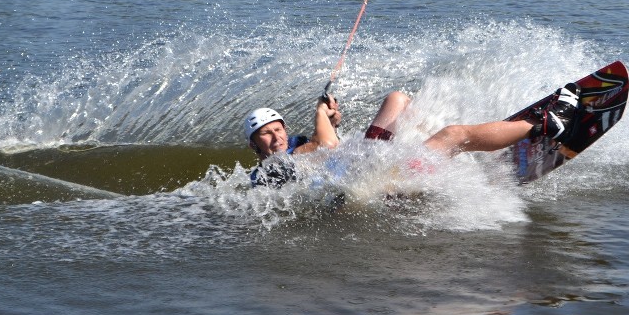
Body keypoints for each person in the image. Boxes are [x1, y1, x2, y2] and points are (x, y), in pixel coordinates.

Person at [243, 83, 582, 187]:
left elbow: (329, 149)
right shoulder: (271, 170)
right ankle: (547, 125)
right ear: (254, 145)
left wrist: (329, 120)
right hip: (374, 188)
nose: (275, 139)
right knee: (452, 134)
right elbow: (329, 146)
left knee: (398, 100)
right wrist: (322, 115)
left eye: (277, 130)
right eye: (266, 136)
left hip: (370, 167)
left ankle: (448, 156)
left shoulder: (301, 144)